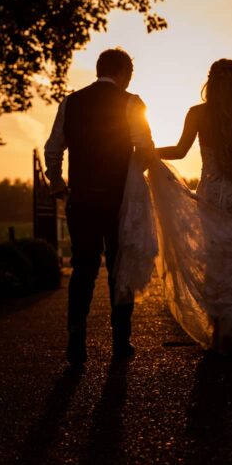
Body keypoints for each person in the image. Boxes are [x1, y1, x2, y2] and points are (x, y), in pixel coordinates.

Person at [116, 58, 232, 355]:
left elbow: (179, 151)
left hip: (213, 196)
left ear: (210, 81)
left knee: (216, 263)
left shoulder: (197, 114)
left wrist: (146, 153)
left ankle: (219, 332)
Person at [44, 47, 153, 365]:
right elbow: (145, 148)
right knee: (121, 269)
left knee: (83, 269)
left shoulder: (71, 101)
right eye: (130, 73)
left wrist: (58, 183)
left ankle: (76, 339)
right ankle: (121, 341)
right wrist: (133, 179)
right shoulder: (132, 102)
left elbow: (53, 148)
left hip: (81, 199)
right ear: (122, 72)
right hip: (119, 200)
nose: (130, 79)